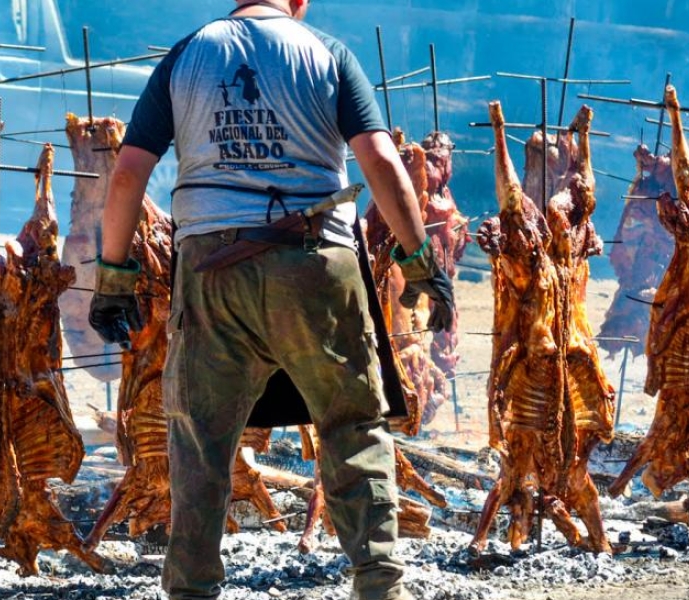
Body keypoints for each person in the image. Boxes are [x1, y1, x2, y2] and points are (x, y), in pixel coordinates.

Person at [87, 0, 453, 598]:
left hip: (213, 269)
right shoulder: (327, 53)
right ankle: (380, 583)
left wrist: (114, 278)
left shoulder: (188, 53)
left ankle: (191, 590)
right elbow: (381, 159)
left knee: (200, 436)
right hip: (314, 263)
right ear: (299, 1)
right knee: (350, 424)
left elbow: (128, 172)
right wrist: (419, 263)